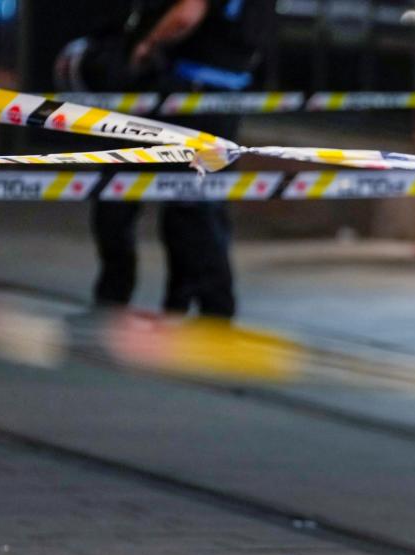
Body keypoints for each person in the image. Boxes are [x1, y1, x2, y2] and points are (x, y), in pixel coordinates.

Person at [70, 0, 272, 319]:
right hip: (223, 92)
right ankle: (184, 306)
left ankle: (202, 310)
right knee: (192, 205)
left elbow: (187, 12)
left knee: (174, 205)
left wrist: (147, 45)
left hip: (190, 93)